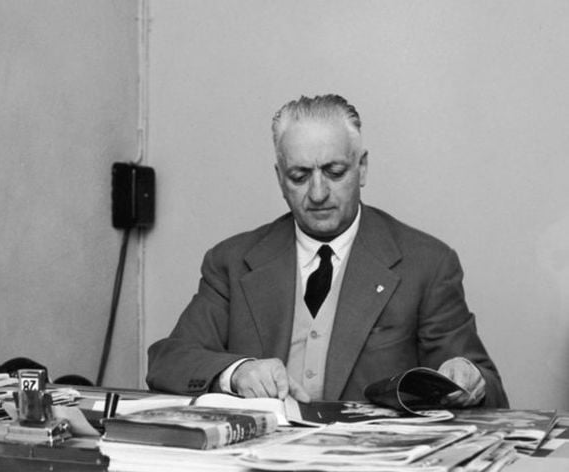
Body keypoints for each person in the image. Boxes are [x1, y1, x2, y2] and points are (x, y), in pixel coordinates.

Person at [146, 94, 507, 408]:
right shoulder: (231, 261)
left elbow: (489, 389)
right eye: (299, 176)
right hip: (260, 465)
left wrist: (469, 380)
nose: (317, 193)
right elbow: (167, 362)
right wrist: (237, 373)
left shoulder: (427, 263)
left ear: (361, 168)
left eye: (334, 172)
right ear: (279, 178)